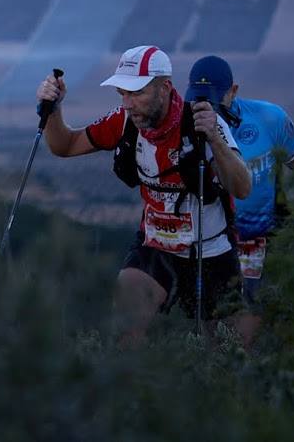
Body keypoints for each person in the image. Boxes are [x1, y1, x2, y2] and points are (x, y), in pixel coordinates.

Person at [35, 45, 252, 345]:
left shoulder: (202, 122)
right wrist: (54, 109)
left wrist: (215, 139)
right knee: (125, 327)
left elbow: (242, 187)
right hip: (155, 247)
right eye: (123, 93)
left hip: (212, 252)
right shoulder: (125, 122)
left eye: (137, 93)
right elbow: (65, 145)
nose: (128, 103)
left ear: (165, 88)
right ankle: (130, 388)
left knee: (230, 349)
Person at [186, 55, 294, 346]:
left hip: (265, 239)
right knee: (217, 334)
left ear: (233, 91)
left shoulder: (269, 118)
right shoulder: (186, 130)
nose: (209, 107)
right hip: (215, 244)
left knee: (267, 330)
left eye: (216, 98)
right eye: (199, 98)